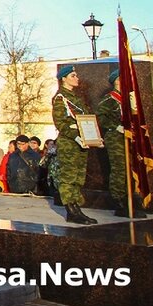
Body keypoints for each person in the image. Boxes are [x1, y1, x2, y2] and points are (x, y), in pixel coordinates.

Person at [52, 64, 98, 225]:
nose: (76, 78)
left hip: (81, 142)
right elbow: (61, 123)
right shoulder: (60, 98)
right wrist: (75, 136)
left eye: (76, 75)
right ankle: (70, 210)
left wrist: (93, 136)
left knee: (79, 176)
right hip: (69, 143)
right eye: (73, 76)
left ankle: (77, 207)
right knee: (68, 177)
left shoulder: (76, 98)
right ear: (63, 79)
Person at [98, 69, 146, 217]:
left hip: (129, 138)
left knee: (129, 169)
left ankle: (129, 200)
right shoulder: (110, 100)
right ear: (116, 81)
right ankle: (119, 202)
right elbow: (100, 117)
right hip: (115, 138)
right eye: (122, 79)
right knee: (119, 169)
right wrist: (116, 126)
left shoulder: (128, 100)